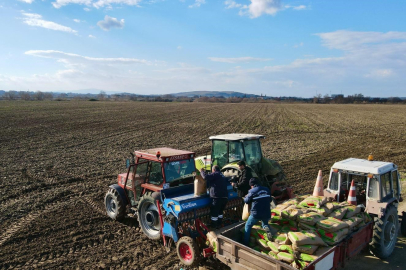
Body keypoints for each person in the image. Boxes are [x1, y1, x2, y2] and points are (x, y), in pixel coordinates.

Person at [243, 178, 274, 246]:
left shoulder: (252, 191)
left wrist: (246, 197)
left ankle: (245, 243)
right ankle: (266, 228)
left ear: (252, 185)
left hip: (256, 213)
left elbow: (247, 201)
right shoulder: (266, 189)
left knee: (248, 225)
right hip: (266, 212)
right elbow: (270, 200)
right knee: (265, 224)